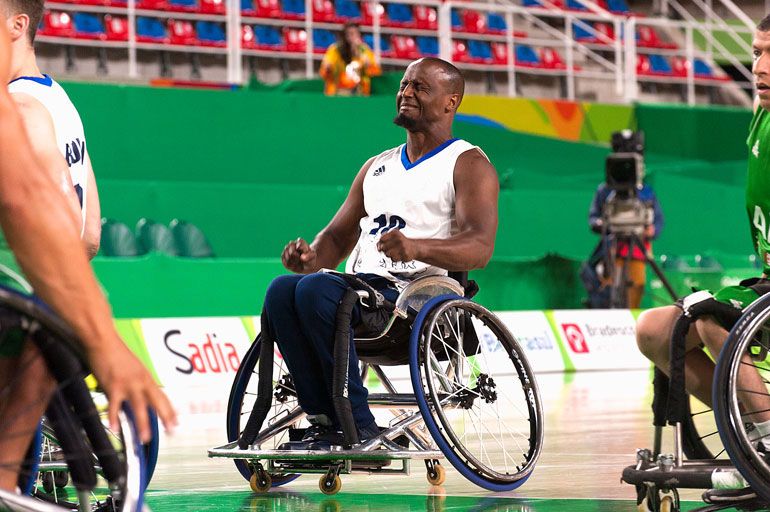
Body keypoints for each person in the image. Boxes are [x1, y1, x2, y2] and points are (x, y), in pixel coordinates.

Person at [264, 57, 498, 448]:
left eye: (420, 87)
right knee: (281, 290)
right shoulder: (376, 166)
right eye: (404, 85)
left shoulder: (468, 163)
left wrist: (416, 247)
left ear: (450, 102)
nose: (405, 93)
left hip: (413, 300)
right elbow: (336, 240)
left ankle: (356, 425)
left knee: (315, 292)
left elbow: (480, 247)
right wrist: (309, 259)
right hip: (360, 292)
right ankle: (323, 417)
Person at [0, 16, 176, 491]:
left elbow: (45, 219)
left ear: (16, 26)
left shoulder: (20, 107)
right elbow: (88, 233)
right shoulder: (60, 101)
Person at [636, 14, 770, 459]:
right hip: (767, 285)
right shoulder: (761, 114)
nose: (759, 67)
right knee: (654, 331)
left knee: (714, 318)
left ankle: (762, 440)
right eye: (756, 53)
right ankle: (750, 432)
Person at [587, 176, 663, 308]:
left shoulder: (646, 191)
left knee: (635, 288)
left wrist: (653, 229)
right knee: (609, 290)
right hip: (611, 249)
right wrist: (602, 224)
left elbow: (658, 220)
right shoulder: (605, 190)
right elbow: (593, 219)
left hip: (638, 250)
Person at [319, 23, 380, 97]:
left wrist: (367, 63)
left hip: (360, 95)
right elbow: (323, 72)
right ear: (344, 36)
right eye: (350, 34)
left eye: (355, 34)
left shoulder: (364, 50)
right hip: (337, 93)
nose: (353, 37)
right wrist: (327, 68)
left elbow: (376, 73)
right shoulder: (335, 50)